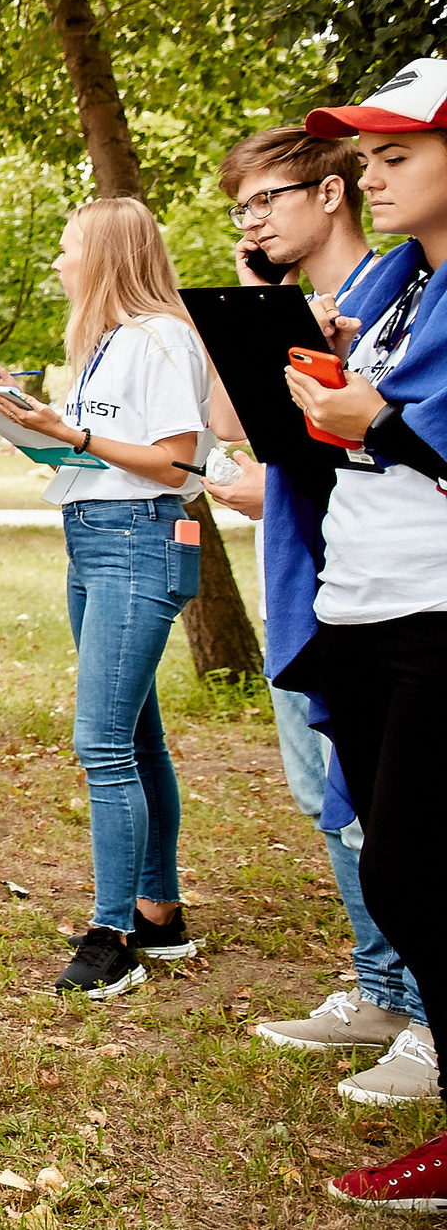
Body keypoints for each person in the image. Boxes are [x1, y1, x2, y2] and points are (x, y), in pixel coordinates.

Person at [199, 129, 431, 1102]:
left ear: (330, 194)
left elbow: (393, 433)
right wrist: (258, 303)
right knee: (335, 807)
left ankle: (422, 1020)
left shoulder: (399, 287)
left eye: (267, 201)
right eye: (242, 209)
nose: (252, 222)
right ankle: (384, 990)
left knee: (404, 833)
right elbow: (228, 423)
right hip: (322, 576)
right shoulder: (322, 304)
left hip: (401, 594)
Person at [266, 59, 447, 1212]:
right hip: (362, 605)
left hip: (437, 612)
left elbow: (406, 434)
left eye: (395, 157)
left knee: (413, 873)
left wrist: (376, 418)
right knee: (402, 866)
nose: (366, 177)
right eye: (364, 157)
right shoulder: (396, 289)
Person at [0, 197, 212, 999]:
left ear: (107, 254)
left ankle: (113, 932)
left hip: (140, 541)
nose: (58, 260)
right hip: (91, 538)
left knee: (103, 742)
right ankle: (159, 911)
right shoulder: (103, 344)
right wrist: (25, 417)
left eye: (69, 246)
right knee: (138, 735)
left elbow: (177, 465)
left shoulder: (161, 338)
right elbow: (90, 457)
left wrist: (72, 434)